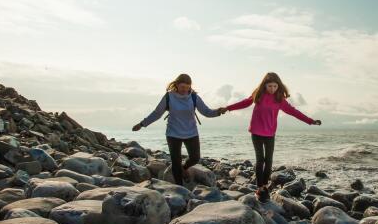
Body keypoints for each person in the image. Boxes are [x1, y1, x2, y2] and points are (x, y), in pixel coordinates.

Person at [220, 72, 321, 202]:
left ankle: (265, 187)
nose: (272, 89)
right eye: (270, 86)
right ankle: (259, 188)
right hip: (256, 132)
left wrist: (310, 121)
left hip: (270, 133)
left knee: (269, 161)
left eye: (275, 86)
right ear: (265, 85)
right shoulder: (259, 94)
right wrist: (228, 108)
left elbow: (294, 112)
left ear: (278, 86)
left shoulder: (279, 99)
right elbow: (245, 103)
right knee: (260, 159)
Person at [132, 74, 226, 186]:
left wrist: (218, 111)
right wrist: (142, 124)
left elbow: (206, 111)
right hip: (173, 133)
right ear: (176, 85)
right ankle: (179, 187)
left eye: (187, 87)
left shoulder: (194, 97)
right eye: (182, 87)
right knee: (176, 162)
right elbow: (157, 113)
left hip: (191, 132)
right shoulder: (169, 96)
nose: (185, 90)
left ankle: (184, 168)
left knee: (195, 158)